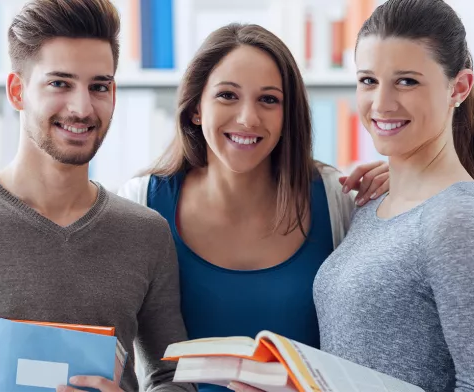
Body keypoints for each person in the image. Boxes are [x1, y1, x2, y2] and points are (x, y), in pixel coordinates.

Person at [0, 1, 194, 392]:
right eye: (59, 83)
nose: (82, 108)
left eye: (98, 86)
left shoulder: (146, 233)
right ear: (17, 91)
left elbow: (173, 378)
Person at [118, 23, 390, 392]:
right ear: (196, 107)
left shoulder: (337, 199)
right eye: (228, 95)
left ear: (287, 115)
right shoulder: (142, 202)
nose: (248, 118)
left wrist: (408, 186)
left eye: (268, 100)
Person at [313, 0, 474, 391]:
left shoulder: (457, 221)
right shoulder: (375, 202)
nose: (381, 104)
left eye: (407, 81)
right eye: (368, 81)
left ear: (458, 88)